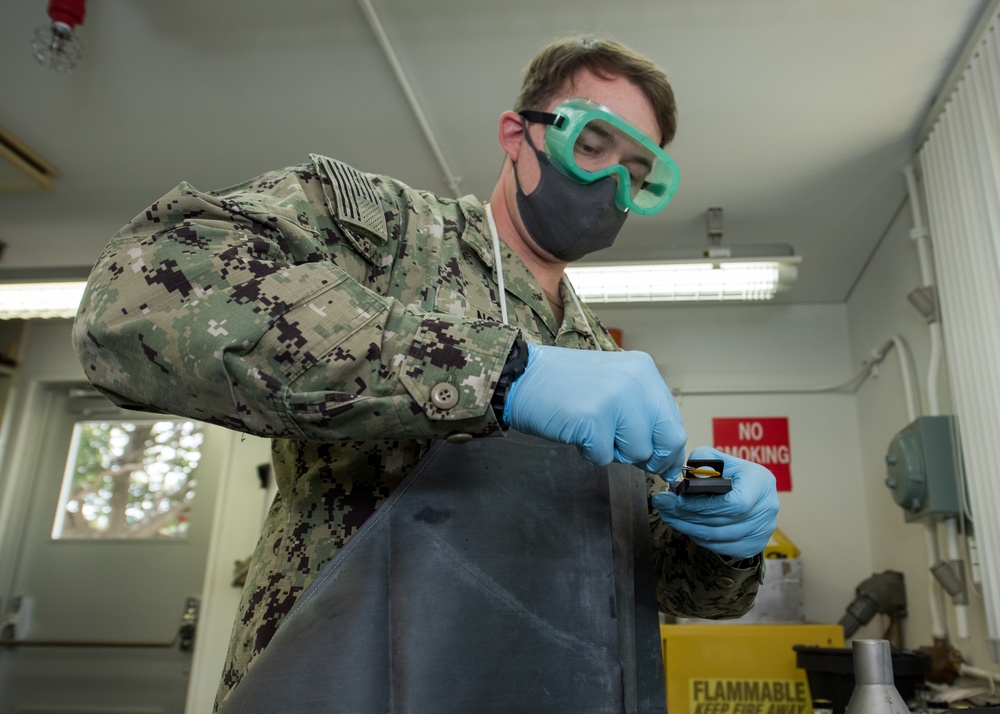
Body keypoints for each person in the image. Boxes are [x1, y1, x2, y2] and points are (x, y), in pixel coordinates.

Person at [73, 35, 779, 712]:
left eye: (636, 173)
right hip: (349, 687)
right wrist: (499, 373)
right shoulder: (390, 236)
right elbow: (141, 293)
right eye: (591, 146)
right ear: (517, 133)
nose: (609, 183)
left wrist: (723, 543)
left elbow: (654, 580)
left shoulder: (601, 355)